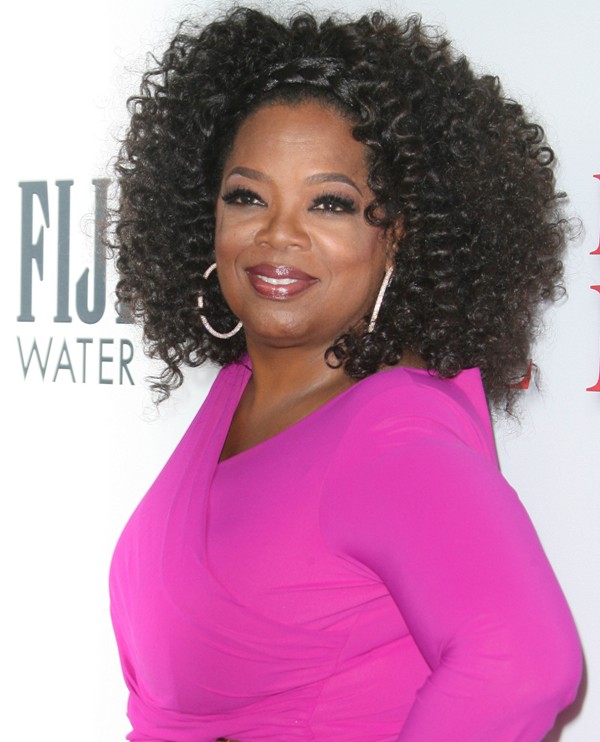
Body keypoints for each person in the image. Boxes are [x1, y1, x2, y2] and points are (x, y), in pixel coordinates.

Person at [108, 7, 583, 741]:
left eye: (330, 204)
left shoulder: (392, 431)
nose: (278, 234)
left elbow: (525, 666)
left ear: (397, 235)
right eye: (247, 196)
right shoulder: (243, 387)